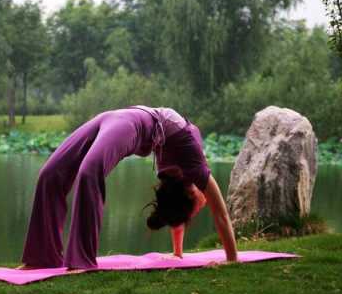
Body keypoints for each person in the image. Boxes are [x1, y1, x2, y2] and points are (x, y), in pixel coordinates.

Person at [20, 105, 237, 270]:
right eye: (197, 207)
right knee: (51, 174)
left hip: (123, 121)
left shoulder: (176, 184)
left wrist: (178, 254)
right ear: (192, 192)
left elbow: (174, 210)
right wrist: (232, 259)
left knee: (88, 172)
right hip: (122, 120)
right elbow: (221, 214)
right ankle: (42, 257)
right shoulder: (196, 165)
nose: (202, 204)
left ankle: (80, 261)